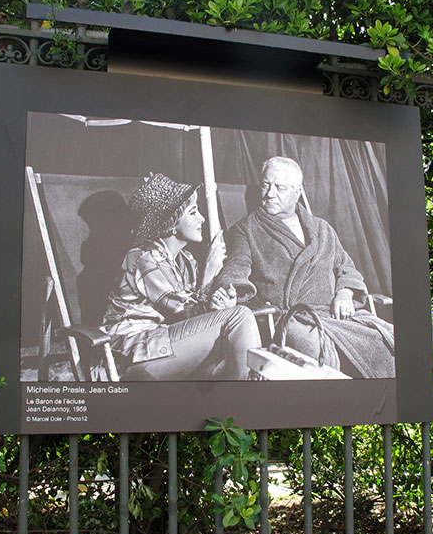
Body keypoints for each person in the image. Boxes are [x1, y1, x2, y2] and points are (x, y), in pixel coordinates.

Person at [214, 156, 395, 378]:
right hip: (293, 319)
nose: (270, 194)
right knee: (314, 350)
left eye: (279, 188)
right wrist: (231, 290)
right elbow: (236, 268)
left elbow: (347, 268)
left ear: (297, 192)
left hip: (336, 315)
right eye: (265, 185)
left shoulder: (322, 229)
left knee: (387, 338)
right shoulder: (245, 230)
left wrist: (345, 292)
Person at [103, 173, 261, 381]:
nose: (202, 219)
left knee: (230, 357)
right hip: (134, 353)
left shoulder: (185, 260)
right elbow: (188, 313)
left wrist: (222, 304)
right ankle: (256, 399)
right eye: (193, 212)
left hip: (165, 344)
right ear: (172, 222)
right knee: (239, 317)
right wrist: (209, 274)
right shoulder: (144, 258)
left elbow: (199, 313)